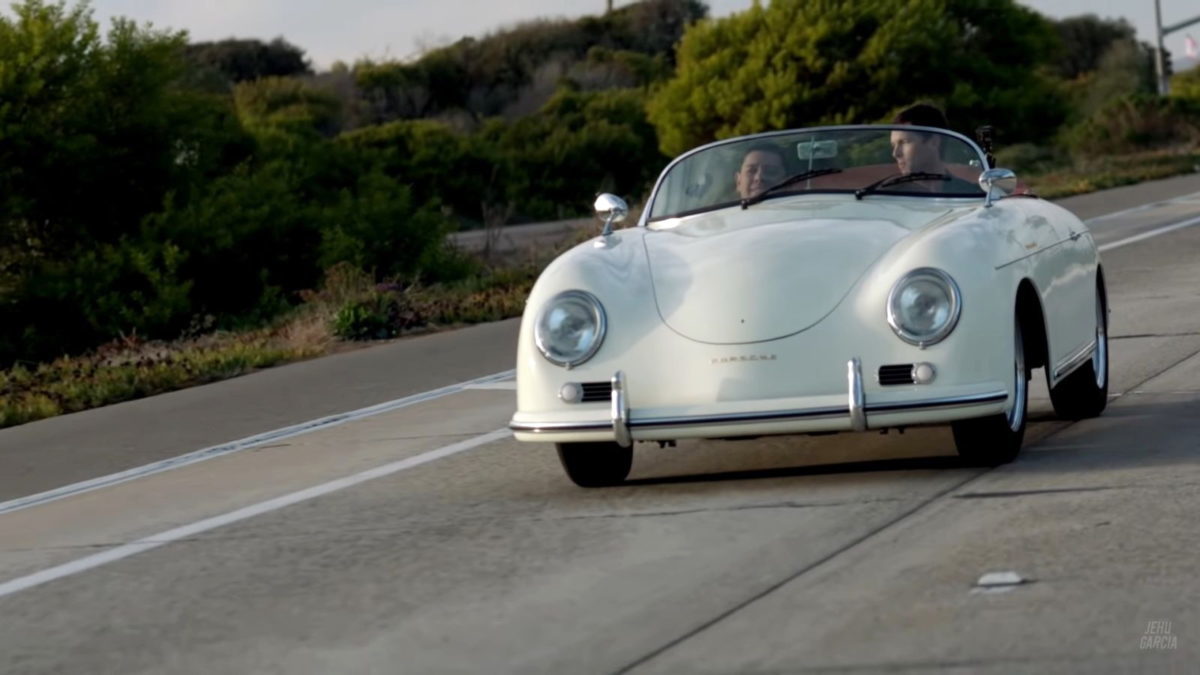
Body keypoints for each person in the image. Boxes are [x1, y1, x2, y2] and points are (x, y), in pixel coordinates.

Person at [889, 103, 981, 194]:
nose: (895, 153)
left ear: (934, 142)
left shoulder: (970, 193)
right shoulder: (889, 196)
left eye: (904, 142)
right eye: (893, 145)